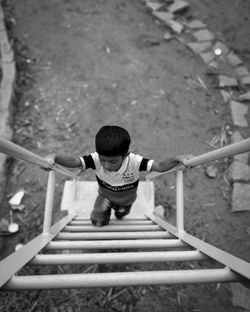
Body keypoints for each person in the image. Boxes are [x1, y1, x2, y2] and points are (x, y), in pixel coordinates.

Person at [45, 125, 193, 226]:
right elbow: (75, 162)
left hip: (126, 201)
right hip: (104, 197)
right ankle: (102, 220)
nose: (106, 165)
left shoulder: (134, 162)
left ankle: (120, 214)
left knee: (122, 214)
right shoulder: (95, 159)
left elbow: (160, 166)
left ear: (125, 155)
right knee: (97, 218)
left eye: (113, 161)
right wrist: (54, 156)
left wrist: (177, 158)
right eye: (103, 159)